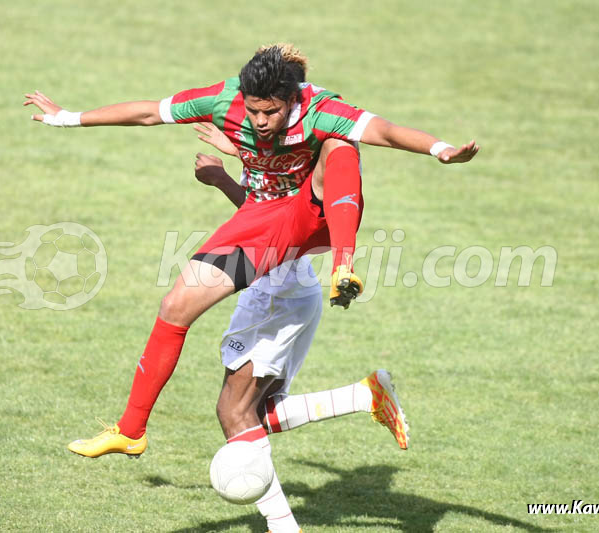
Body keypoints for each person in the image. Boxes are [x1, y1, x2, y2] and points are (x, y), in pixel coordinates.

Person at [24, 43, 478, 464]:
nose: (260, 121)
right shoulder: (225, 101)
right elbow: (148, 112)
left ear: (292, 99)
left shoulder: (321, 109)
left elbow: (386, 130)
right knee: (177, 306)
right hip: (262, 221)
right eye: (255, 111)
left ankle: (345, 263)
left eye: (271, 112)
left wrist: (440, 150)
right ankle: (130, 430)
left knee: (342, 144)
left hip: (312, 214)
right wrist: (66, 117)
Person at [191, 131, 408, 532]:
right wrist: (239, 151)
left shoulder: (300, 160)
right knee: (257, 414)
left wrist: (222, 178)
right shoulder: (293, 150)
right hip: (284, 288)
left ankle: (284, 527)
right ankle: (364, 395)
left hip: (275, 293)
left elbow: (270, 225)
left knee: (233, 412)